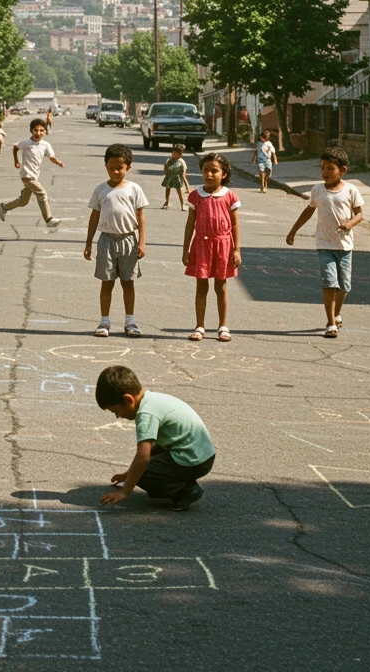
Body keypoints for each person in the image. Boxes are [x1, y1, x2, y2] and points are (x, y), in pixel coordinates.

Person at [96, 365, 215, 511]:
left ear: (128, 400)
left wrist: (124, 491)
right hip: (201, 453)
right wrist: (128, 475)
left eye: (116, 411)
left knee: (143, 473)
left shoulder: (146, 414)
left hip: (194, 460)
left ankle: (185, 491)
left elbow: (142, 457)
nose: (118, 416)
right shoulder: (151, 399)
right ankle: (180, 480)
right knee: (148, 458)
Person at [285, 147, 364, 338]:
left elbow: (360, 214)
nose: (325, 172)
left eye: (330, 168)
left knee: (344, 286)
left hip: (344, 246)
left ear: (342, 170)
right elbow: (309, 210)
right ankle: (330, 323)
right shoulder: (317, 190)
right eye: (322, 168)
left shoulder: (351, 190)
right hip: (324, 244)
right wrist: (293, 231)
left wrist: (349, 224)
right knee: (329, 283)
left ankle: (337, 313)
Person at [85, 144, 148, 338]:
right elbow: (94, 217)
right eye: (111, 167)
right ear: (106, 166)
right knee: (107, 282)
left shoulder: (134, 189)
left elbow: (141, 216)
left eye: (119, 167)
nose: (115, 171)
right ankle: (104, 321)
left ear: (128, 167)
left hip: (129, 240)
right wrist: (88, 242)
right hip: (106, 241)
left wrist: (142, 242)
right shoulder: (100, 190)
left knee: (128, 282)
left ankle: (130, 321)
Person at [183, 152, 241, 343]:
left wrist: (236, 249)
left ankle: (223, 326)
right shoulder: (196, 195)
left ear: (223, 173)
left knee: (221, 286)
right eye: (206, 170)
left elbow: (234, 225)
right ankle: (200, 326)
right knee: (201, 286)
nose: (209, 175)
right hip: (201, 245)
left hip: (223, 245)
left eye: (214, 171)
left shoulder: (229, 196)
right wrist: (186, 249)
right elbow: (190, 224)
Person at [0, 118, 64, 228]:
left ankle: (4, 207)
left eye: (41, 130)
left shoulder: (45, 145)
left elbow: (51, 157)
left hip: (35, 175)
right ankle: (49, 219)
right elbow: (15, 147)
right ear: (31, 131)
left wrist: (59, 162)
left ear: (45, 131)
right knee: (42, 194)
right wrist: (16, 161)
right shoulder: (26, 143)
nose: (38, 133)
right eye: (36, 130)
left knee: (23, 201)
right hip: (27, 175)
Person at [161, 144, 190, 210]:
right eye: (173, 153)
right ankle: (167, 202)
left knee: (179, 191)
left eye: (175, 153)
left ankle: (182, 205)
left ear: (180, 154)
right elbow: (166, 166)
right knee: (168, 189)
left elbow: (184, 172)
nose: (173, 154)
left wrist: (186, 184)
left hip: (177, 178)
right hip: (170, 176)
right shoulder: (170, 160)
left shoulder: (181, 161)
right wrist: (166, 172)